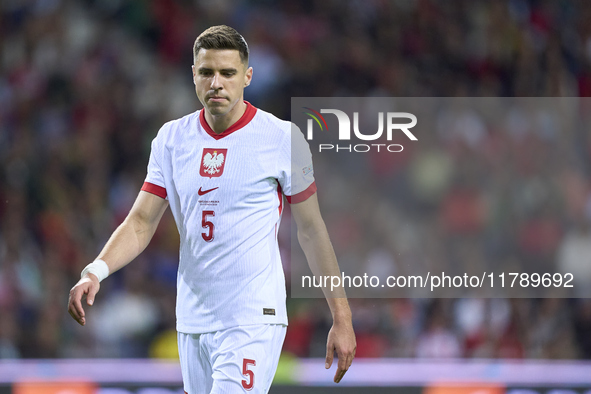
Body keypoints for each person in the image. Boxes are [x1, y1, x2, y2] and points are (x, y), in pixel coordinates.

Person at [67, 25, 356, 393]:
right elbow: (141, 221)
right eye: (207, 72)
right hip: (193, 319)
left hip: (252, 317)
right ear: (193, 75)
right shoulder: (171, 139)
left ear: (247, 77)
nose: (216, 82)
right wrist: (94, 271)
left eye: (228, 73)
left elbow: (312, 230)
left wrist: (341, 316)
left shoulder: (281, 138)